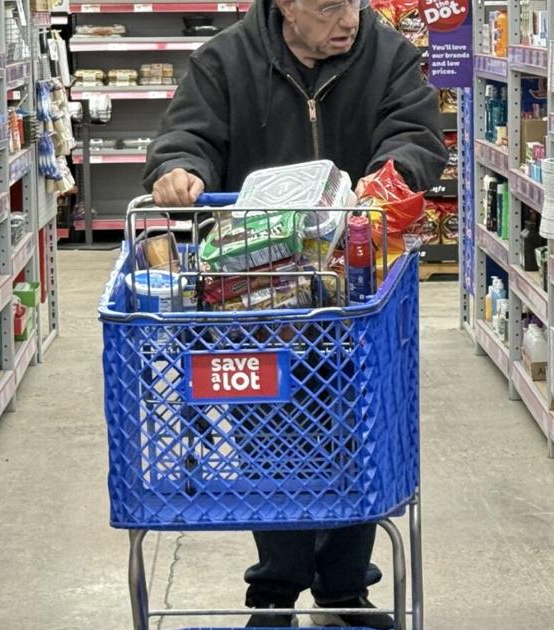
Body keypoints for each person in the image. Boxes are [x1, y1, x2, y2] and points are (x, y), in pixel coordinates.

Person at [142, 0, 446, 626]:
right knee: (266, 439)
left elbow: (416, 134)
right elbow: (188, 136)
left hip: (356, 289)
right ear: (286, 5)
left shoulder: (388, 55)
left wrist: (388, 178)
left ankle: (344, 589)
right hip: (254, 295)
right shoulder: (224, 60)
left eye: (353, 2)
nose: (349, 19)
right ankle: (276, 589)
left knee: (359, 435)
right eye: (329, 6)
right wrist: (179, 170)